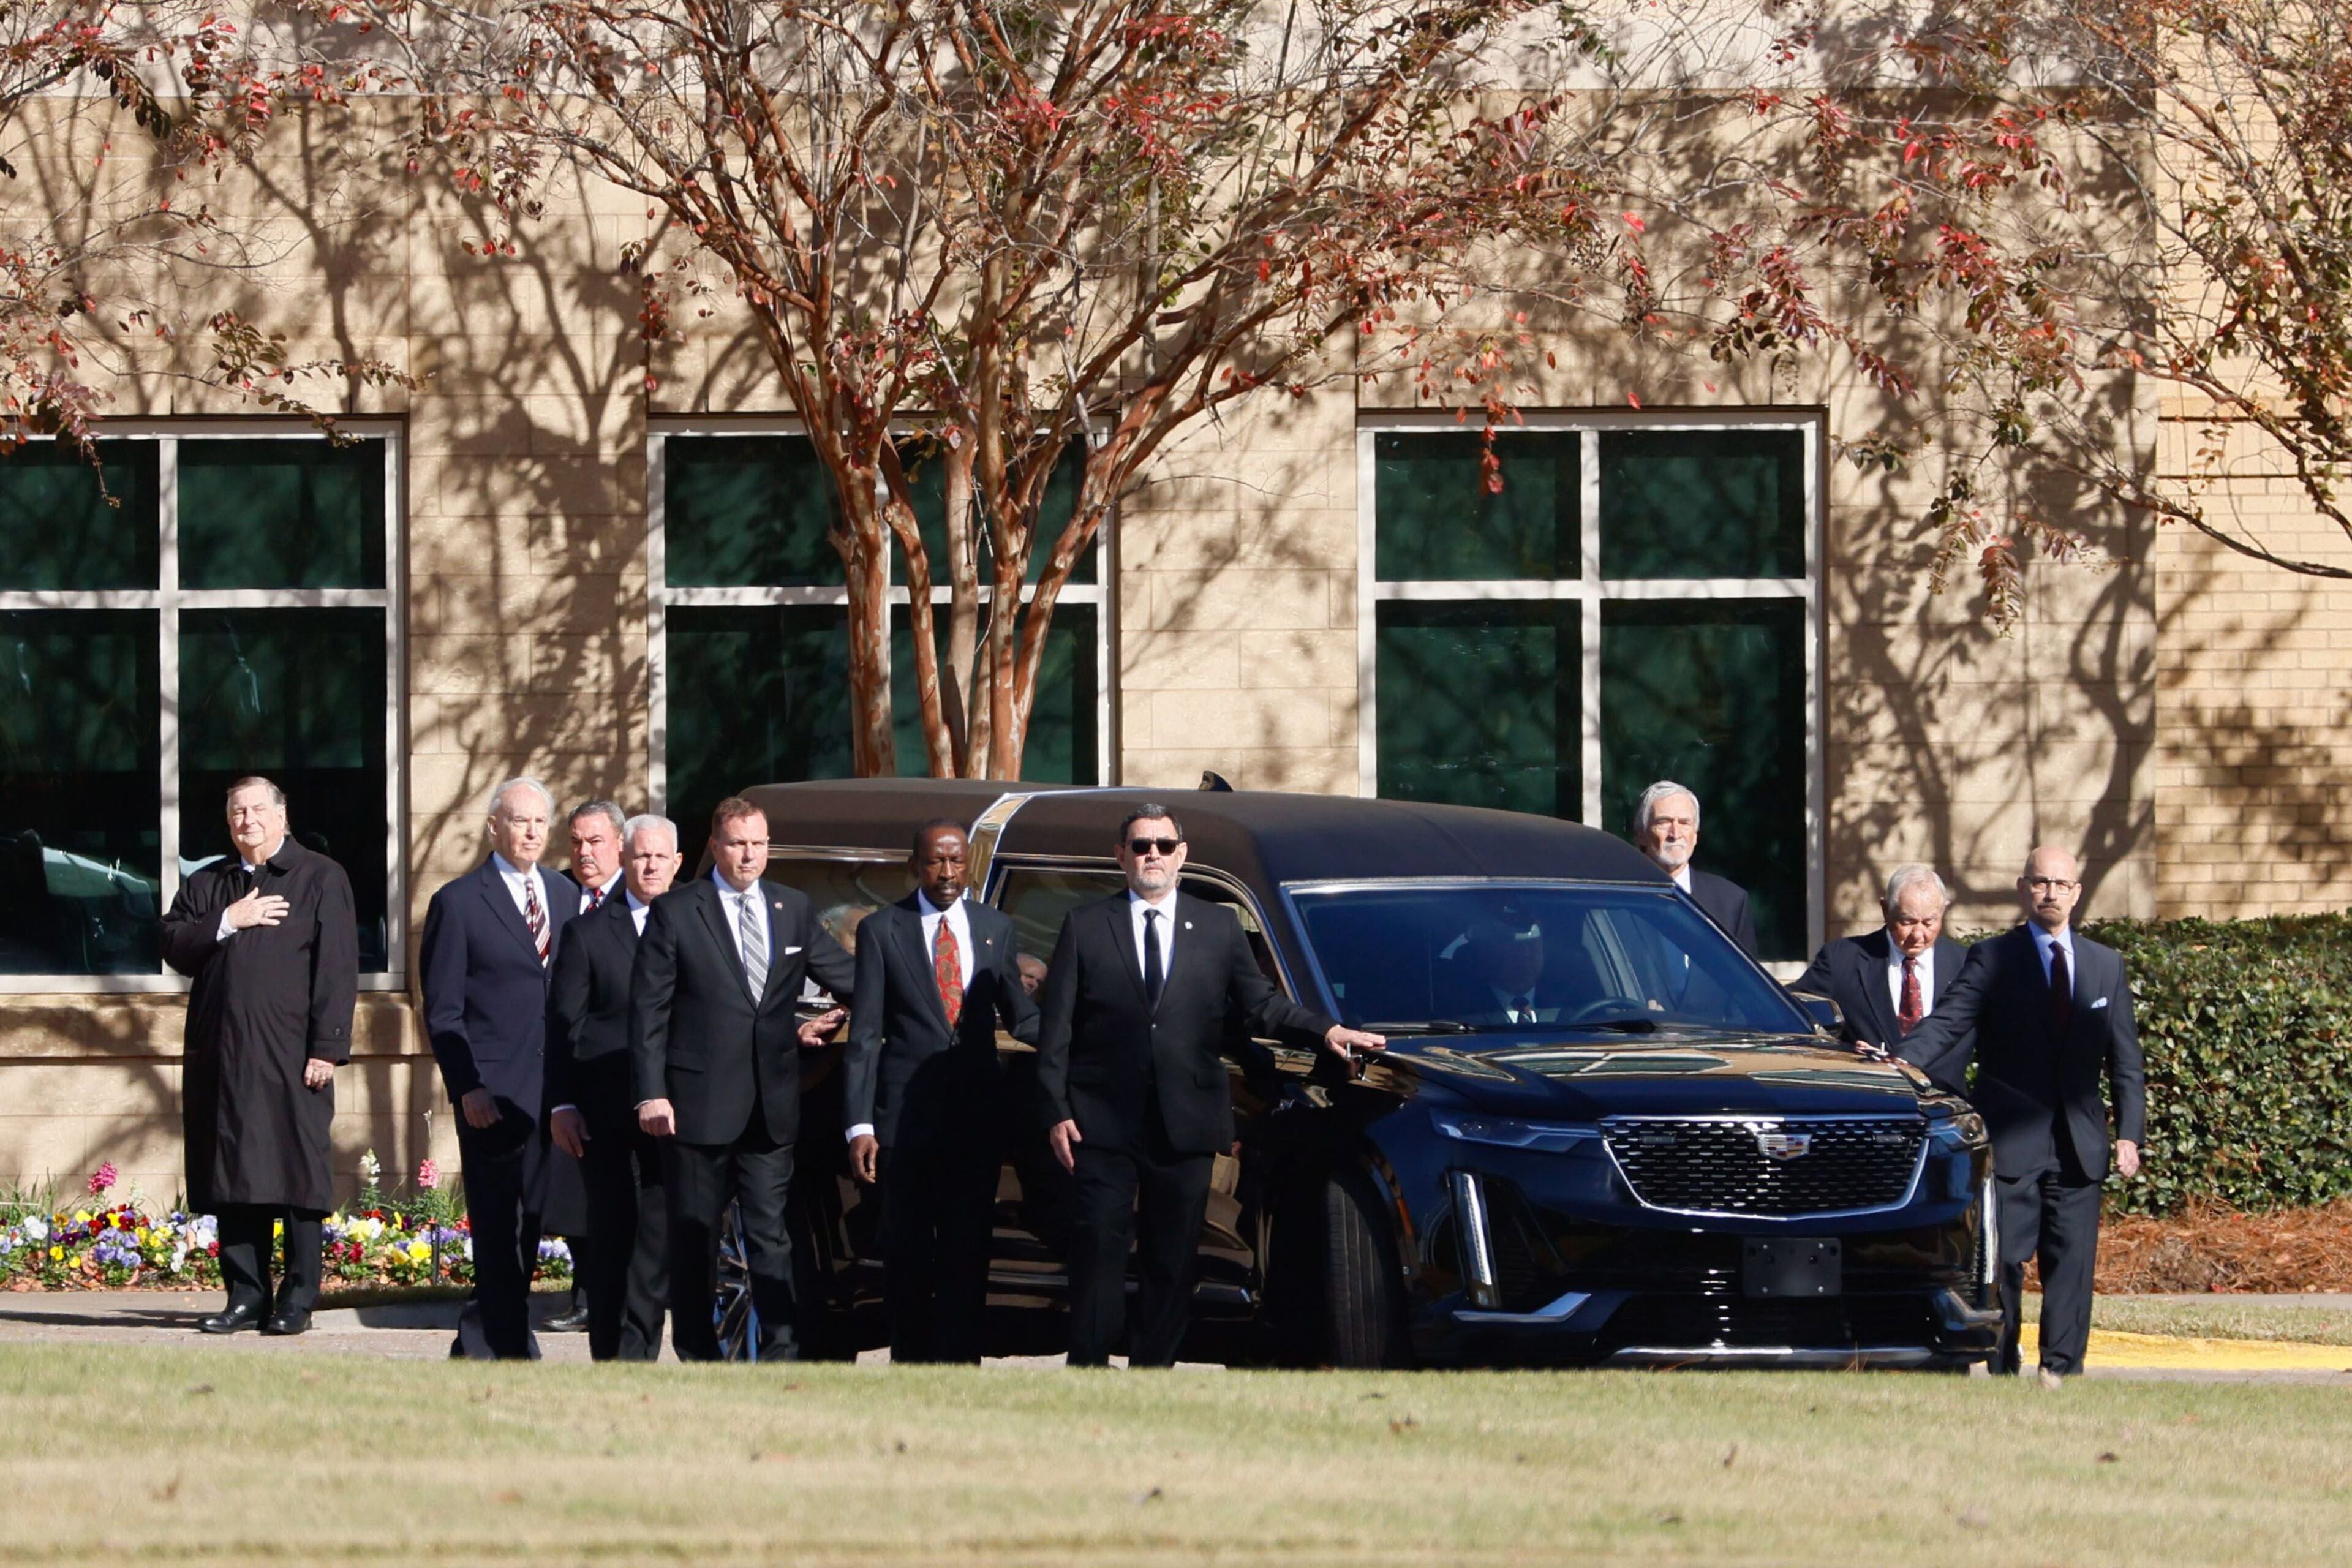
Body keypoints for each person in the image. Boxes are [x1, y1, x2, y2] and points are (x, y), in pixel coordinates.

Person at [1036, 804, 1387, 1368]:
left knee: (1173, 1257)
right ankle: (1090, 1371)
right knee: (1099, 1250)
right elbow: (1057, 1030)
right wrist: (1056, 1109)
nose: (1153, 855)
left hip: (1187, 1119)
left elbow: (1262, 1006)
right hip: (1101, 1120)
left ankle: (1154, 1373)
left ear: (1183, 855)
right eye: (1141, 846)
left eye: (1164, 845)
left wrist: (1327, 1031)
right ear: (1121, 856)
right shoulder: (1087, 925)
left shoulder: (1219, 927)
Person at [1896, 846, 2145, 1385]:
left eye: (2061, 884)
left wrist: (2130, 1134)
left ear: (2077, 893)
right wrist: (1900, 1060)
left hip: (2079, 1144)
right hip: (2012, 1140)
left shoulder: (2106, 965)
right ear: (2023, 889)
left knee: (2071, 1264)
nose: (2051, 893)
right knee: (2004, 1260)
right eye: (2040, 882)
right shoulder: (1994, 958)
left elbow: (2125, 1059)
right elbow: (1949, 1023)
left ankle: (2061, 1370)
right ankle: (2002, 1363)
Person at [631, 797, 851, 1362]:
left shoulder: (792, 907)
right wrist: (651, 1093)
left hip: (771, 1104)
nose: (749, 855)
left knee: (772, 1233)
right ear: (715, 846)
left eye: (758, 843)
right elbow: (649, 1011)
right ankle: (699, 1353)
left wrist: (883, 997)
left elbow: (846, 975)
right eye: (737, 844)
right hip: (697, 1104)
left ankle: (781, 1353)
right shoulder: (678, 911)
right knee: (697, 1235)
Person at [160, 777, 356, 1337]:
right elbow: (173, 945)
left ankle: (298, 1299)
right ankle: (246, 1297)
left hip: (293, 1059)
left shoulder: (320, 876)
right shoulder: (210, 883)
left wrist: (327, 1047)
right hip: (223, 1060)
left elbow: (337, 968)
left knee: (297, 1179)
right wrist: (229, 920)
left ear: (282, 815)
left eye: (257, 810)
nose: (247, 820)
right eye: (237, 813)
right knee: (235, 1180)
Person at [843, 819, 1040, 1363]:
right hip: (905, 1124)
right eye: (937, 861)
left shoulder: (995, 927)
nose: (948, 872)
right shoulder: (883, 929)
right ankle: (910, 1365)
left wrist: (1080, 1036)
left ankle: (959, 1369)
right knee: (907, 1254)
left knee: (967, 1251)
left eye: (957, 861)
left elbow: (1021, 1018)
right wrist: (860, 1125)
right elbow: (865, 1035)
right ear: (916, 865)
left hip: (975, 1121)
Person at [418, 776, 576, 1360]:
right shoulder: (458, 902)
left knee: (533, 1221)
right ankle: (508, 1346)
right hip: (492, 1092)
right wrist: (468, 1087)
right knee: (496, 1223)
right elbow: (444, 1011)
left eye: (540, 822)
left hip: (554, 1093)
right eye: (518, 820)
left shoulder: (565, 894)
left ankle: (482, 1336)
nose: (531, 832)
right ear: (493, 827)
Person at [546, 813, 682, 1361]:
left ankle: (641, 1351)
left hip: (681, 1111)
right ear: (624, 859)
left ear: (677, 863)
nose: (650, 866)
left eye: (660, 857)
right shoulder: (588, 933)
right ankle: (610, 1352)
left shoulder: (698, 924)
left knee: (657, 1238)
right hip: (606, 1112)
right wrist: (562, 1102)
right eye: (641, 856)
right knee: (612, 1235)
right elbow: (563, 1027)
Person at [540, 799, 627, 1334]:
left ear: (619, 844)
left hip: (617, 1068)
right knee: (571, 1189)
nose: (584, 852)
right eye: (576, 842)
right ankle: (586, 1292)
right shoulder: (557, 895)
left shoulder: (638, 900)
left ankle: (607, 1295)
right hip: (565, 1064)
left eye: (595, 841)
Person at [1792, 865, 1971, 1090]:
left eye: (1929, 922)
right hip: (1869, 1097)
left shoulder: (1967, 966)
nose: (1918, 935)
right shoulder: (1842, 960)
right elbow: (1793, 1015)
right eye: (1907, 922)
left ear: (1944, 911)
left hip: (1945, 1102)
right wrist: (1844, 1053)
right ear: (1885, 910)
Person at [1631, 780, 1758, 959]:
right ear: (1641, 835)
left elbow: (1744, 975)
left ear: (1695, 836)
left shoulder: (1731, 902)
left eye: (1684, 823)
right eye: (1664, 822)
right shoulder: (1618, 899)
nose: (1675, 834)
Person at [1458, 915, 1558, 1025]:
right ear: (1487, 952)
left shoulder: (1567, 1003)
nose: (1526, 954)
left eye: (1532, 945)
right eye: (1516, 946)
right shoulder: (1458, 1007)